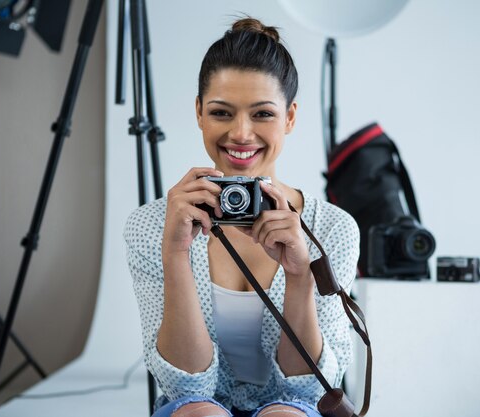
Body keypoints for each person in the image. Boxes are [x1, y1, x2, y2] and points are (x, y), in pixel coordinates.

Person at [124, 17, 359, 417]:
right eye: (221, 112)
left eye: (263, 114)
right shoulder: (153, 224)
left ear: (290, 117)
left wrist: (300, 275)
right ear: (199, 112)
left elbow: (307, 390)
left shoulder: (331, 229)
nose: (241, 134)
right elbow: (185, 386)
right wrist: (176, 254)